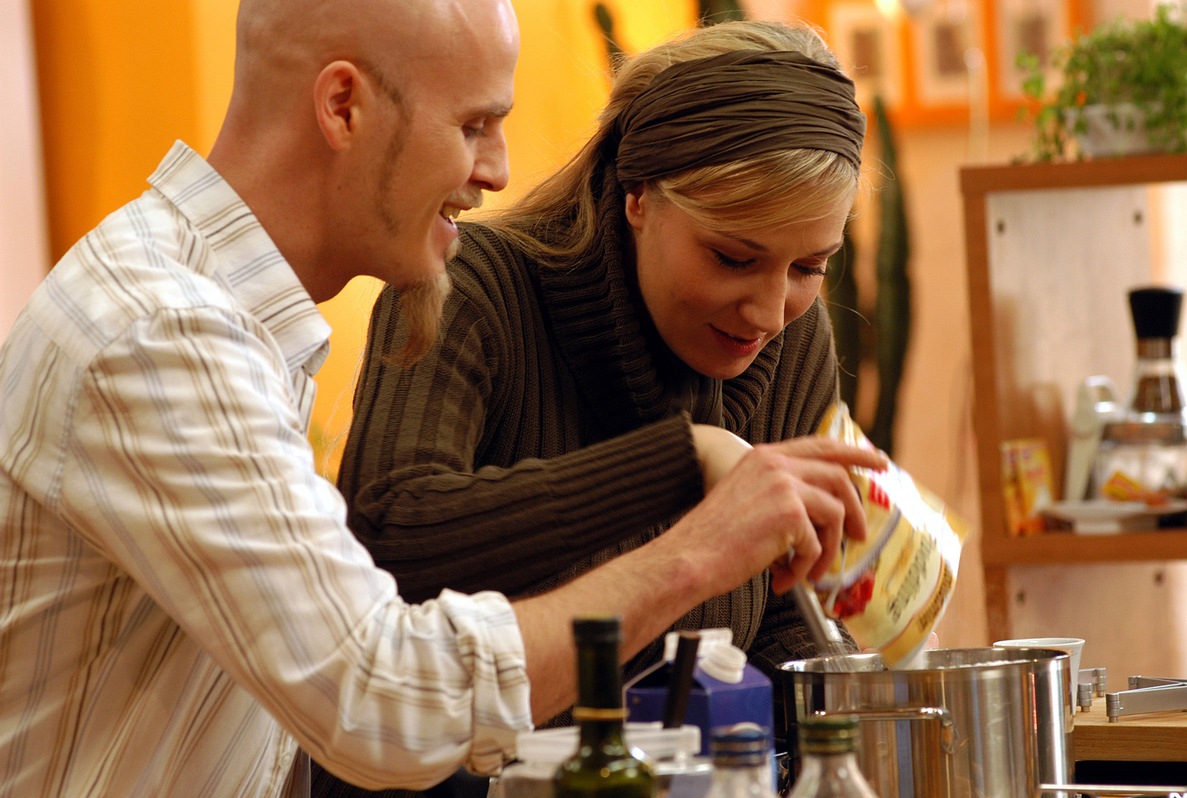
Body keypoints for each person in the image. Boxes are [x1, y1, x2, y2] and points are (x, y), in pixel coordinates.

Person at [0, 1, 885, 796]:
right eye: (473, 125)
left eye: (809, 267)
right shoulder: (165, 335)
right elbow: (385, 701)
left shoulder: (225, 322)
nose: (498, 170)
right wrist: (700, 544)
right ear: (342, 106)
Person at [331, 16, 876, 798]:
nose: (766, 310)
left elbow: (786, 617)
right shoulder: (470, 287)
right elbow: (384, 534)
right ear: (638, 197)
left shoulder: (795, 339)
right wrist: (684, 461)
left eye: (809, 266)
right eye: (733, 257)